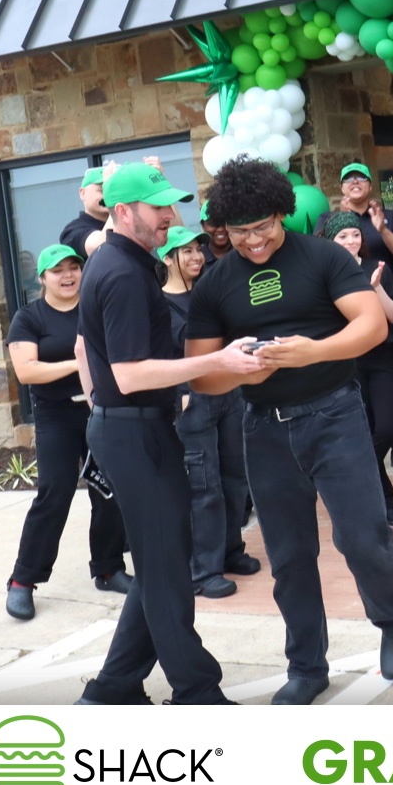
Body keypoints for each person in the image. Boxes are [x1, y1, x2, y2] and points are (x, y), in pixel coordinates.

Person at [185, 159, 393, 703]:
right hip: (263, 426)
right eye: (239, 232)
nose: (254, 240)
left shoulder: (323, 256)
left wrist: (315, 351)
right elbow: (201, 376)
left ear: (282, 213)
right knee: (289, 556)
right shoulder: (215, 284)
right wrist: (240, 370)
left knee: (362, 536)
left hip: (334, 412)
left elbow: (370, 324)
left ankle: (392, 617)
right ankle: (307, 667)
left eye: (263, 226)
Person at [72, 162, 267, 706]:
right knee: (166, 573)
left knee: (164, 560)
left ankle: (113, 689)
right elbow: (131, 373)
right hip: (135, 435)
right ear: (123, 211)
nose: (171, 217)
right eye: (159, 208)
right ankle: (196, 691)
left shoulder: (124, 263)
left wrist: (103, 411)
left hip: (133, 430)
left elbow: (92, 353)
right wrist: (217, 362)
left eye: (170, 204)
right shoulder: (124, 274)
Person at [3, 244, 131, 621]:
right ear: (42, 278)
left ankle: (108, 568)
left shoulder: (92, 308)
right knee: (54, 494)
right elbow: (27, 371)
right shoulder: (29, 318)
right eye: (57, 270)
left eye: (74, 267)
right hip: (56, 415)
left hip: (99, 409)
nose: (68, 275)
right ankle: (23, 580)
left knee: (108, 489)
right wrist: (77, 362)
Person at [161, 225, 256, 600]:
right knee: (205, 485)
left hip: (229, 393)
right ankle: (203, 570)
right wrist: (180, 392)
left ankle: (232, 551)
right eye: (186, 252)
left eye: (198, 251)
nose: (196, 257)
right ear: (168, 259)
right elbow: (175, 350)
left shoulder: (208, 293)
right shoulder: (161, 303)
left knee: (236, 477)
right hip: (192, 401)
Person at [319, 210, 393, 527]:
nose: (350, 240)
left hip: (381, 359)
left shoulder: (377, 268)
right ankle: (388, 503)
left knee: (385, 429)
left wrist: (375, 288)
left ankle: (350, 473)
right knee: (364, 431)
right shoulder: (324, 276)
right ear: (331, 241)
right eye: (342, 236)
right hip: (347, 364)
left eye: (354, 234)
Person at [337, 162, 393, 471]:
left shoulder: (388, 218)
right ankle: (371, 467)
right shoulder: (329, 222)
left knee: (392, 388)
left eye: (360, 176)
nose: (354, 182)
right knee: (364, 410)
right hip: (350, 341)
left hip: (387, 310)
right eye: (347, 178)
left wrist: (381, 230)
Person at [59, 167, 110, 260]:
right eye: (103, 190)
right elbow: (101, 246)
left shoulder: (132, 222)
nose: (109, 195)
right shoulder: (73, 230)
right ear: (83, 193)